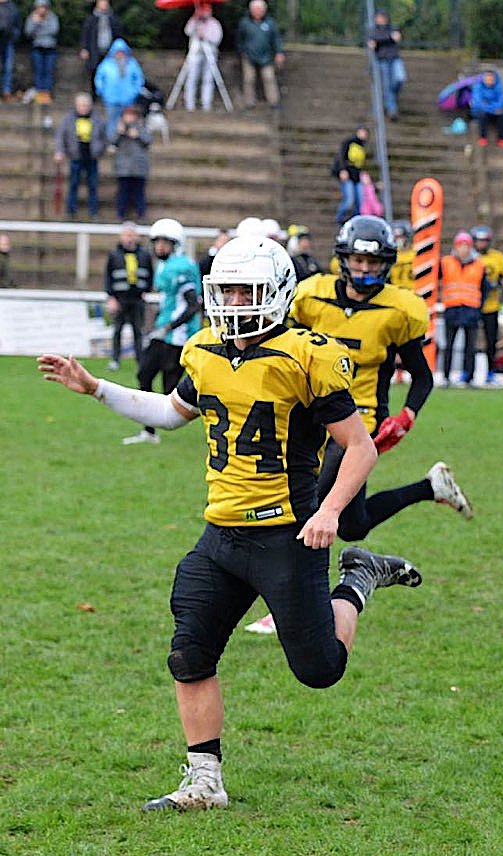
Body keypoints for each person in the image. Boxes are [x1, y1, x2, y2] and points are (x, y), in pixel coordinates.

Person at [37, 237, 424, 812]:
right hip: (221, 534)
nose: (235, 302)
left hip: (287, 534)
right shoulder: (204, 350)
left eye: (247, 290)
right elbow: (170, 413)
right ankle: (204, 781)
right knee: (189, 651)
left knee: (320, 669)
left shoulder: (306, 356)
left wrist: (329, 511)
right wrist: (96, 388)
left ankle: (358, 578)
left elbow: (360, 447)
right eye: (227, 291)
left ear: (277, 292)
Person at [261, 216, 470, 632]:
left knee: (312, 507)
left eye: (373, 263)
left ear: (386, 264)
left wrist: (407, 416)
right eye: (357, 260)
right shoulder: (311, 296)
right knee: (353, 524)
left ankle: (290, 604)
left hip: (359, 425)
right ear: (343, 259)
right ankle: (429, 488)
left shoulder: (399, 309)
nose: (364, 269)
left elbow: (421, 375)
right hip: (309, 418)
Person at [125, 217, 199, 445]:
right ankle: (149, 430)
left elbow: (193, 304)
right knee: (144, 374)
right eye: (157, 242)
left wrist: (169, 326)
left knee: (171, 389)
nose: (159, 247)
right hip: (164, 333)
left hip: (178, 336)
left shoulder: (182, 267)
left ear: (176, 244)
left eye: (165, 242)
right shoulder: (164, 266)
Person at [438, 231, 487, 386]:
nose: (463, 249)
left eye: (466, 246)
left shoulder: (479, 265)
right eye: (460, 246)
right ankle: (446, 376)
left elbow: (484, 288)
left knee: (470, 347)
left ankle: (469, 377)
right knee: (449, 345)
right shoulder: (445, 262)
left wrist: (479, 306)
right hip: (452, 308)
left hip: (471, 309)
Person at [103, 222, 152, 373]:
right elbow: (108, 277)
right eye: (126, 235)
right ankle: (115, 360)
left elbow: (150, 274)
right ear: (121, 237)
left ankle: (140, 361)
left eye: (132, 235)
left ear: (137, 237)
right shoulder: (114, 255)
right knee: (117, 330)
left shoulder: (144, 255)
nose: (129, 238)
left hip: (137, 299)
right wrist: (111, 297)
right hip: (120, 299)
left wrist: (146, 290)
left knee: (138, 331)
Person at [53, 91, 106, 220]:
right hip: (75, 156)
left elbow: (104, 138)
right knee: (73, 184)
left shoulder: (97, 119)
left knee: (93, 185)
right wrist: (59, 151)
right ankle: (70, 211)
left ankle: (93, 212)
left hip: (91, 156)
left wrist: (100, 150)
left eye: (86, 105)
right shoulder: (68, 119)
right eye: (81, 105)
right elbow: (60, 136)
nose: (83, 108)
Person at [471, 225, 503, 380]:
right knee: (470, 341)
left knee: (491, 340)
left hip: (491, 305)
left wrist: (496, 284)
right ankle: (468, 372)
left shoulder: (497, 257)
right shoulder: (469, 256)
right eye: (479, 240)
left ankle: (491, 372)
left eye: (485, 241)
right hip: (472, 305)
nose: (482, 244)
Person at [236, 0, 284, 110]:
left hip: (267, 57)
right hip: (249, 56)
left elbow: (276, 39)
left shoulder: (270, 23)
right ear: (251, 10)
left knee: (269, 78)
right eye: (255, 9)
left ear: (264, 10)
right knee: (249, 79)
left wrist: (279, 52)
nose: (258, 12)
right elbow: (240, 39)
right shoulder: (245, 23)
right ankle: (249, 102)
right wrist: (242, 51)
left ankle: (274, 102)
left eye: (260, 10)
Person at [109, 104, 150, 223]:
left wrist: (138, 135)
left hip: (139, 167)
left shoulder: (142, 127)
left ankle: (141, 215)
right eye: (127, 115)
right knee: (122, 192)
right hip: (123, 167)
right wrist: (119, 133)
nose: (130, 117)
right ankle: (120, 215)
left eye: (132, 115)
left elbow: (148, 140)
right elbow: (112, 141)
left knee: (139, 192)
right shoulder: (118, 127)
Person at [181, 3, 221, 111]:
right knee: (191, 77)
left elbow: (217, 38)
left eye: (207, 10)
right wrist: (194, 19)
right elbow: (187, 31)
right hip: (195, 53)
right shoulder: (194, 21)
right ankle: (189, 104)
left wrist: (205, 36)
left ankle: (206, 104)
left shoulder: (214, 23)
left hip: (210, 53)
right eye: (204, 10)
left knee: (208, 79)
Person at [367, 8, 403, 119]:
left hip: (395, 59)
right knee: (386, 85)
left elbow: (396, 37)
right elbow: (372, 43)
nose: (381, 19)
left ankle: (391, 98)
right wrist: (389, 38)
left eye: (383, 17)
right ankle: (392, 109)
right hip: (382, 60)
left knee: (399, 79)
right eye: (379, 17)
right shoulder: (373, 30)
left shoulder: (393, 27)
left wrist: (379, 41)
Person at [77, 0, 118, 96]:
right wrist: (84, 48)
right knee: (94, 71)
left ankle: (107, 93)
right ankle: (94, 93)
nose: (104, 4)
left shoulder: (113, 18)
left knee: (110, 72)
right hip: (94, 50)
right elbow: (85, 35)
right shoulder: (91, 19)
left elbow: (118, 35)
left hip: (109, 51)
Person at [332, 125, 369, 225]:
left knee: (359, 201)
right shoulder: (349, 142)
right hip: (348, 174)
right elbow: (341, 156)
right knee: (349, 200)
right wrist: (343, 170)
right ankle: (339, 218)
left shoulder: (362, 146)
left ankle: (356, 221)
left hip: (357, 177)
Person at [23, 0, 56, 103]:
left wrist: (41, 28)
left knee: (48, 71)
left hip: (50, 48)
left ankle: (46, 93)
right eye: (40, 7)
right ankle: (39, 92)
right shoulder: (32, 18)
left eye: (44, 7)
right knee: (38, 71)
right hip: (37, 48)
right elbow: (28, 32)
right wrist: (36, 23)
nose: (42, 9)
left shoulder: (52, 17)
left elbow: (54, 30)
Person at [470, 68, 503, 148]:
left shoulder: (499, 87)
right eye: (487, 78)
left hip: (495, 111)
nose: (489, 80)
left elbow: (502, 103)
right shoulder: (477, 87)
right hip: (481, 111)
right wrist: (492, 108)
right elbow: (478, 103)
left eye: (491, 78)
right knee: (482, 114)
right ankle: (483, 138)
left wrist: (489, 105)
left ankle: (501, 139)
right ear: (483, 78)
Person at [0, 0, 20, 103]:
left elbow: (18, 24)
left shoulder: (12, 7)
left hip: (8, 41)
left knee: (8, 67)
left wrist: (14, 35)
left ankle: (6, 92)